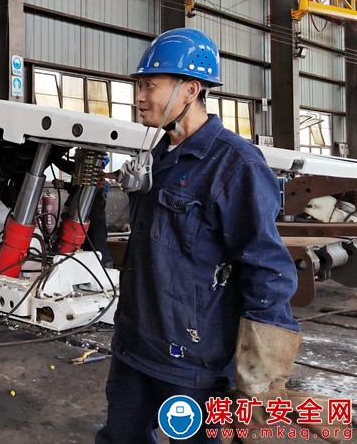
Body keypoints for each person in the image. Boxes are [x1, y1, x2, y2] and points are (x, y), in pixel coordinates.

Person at [95, 28, 300, 443]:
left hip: (193, 363)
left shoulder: (235, 164)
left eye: (150, 85)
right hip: (135, 346)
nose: (139, 95)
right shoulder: (157, 154)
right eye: (138, 84)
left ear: (190, 89)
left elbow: (267, 269)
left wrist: (260, 374)